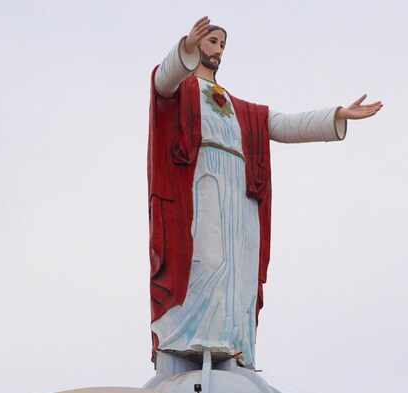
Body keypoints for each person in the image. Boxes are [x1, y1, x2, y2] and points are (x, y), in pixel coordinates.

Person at [148, 16, 381, 369]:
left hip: (240, 189)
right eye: (212, 42)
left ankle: (232, 339)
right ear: (197, 44)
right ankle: (196, 336)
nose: (217, 50)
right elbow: (162, 81)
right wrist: (184, 48)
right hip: (204, 180)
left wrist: (337, 114)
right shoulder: (182, 88)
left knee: (239, 267)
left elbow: (284, 124)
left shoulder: (243, 110)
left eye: (222, 45)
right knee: (207, 258)